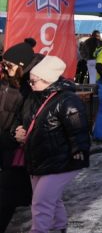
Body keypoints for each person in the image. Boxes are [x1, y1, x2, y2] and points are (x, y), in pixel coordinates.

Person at [15, 56, 90, 233]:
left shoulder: (67, 100)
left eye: (33, 81)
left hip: (62, 161)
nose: (30, 85)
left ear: (48, 79)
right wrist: (18, 131)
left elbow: (79, 132)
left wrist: (77, 155)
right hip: (39, 158)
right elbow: (23, 120)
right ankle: (59, 226)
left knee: (41, 202)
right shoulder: (34, 96)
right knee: (50, 199)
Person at [0, 42, 37, 233]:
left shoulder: (31, 88)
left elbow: (25, 120)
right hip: (6, 143)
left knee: (8, 196)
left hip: (17, 151)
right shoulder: (7, 81)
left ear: (22, 64)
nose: (5, 68)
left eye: (9, 65)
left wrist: (16, 133)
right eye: (3, 64)